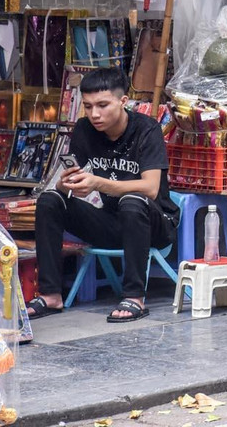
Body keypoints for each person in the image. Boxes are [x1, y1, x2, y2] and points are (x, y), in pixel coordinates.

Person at [28, 68, 180, 322]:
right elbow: (72, 181)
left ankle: (135, 297)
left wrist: (98, 183)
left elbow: (151, 188)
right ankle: (51, 294)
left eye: (102, 105)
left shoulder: (147, 129)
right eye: (88, 107)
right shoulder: (84, 129)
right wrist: (67, 184)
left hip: (154, 225)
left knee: (132, 201)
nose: (94, 114)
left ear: (123, 101)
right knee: (49, 201)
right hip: (111, 222)